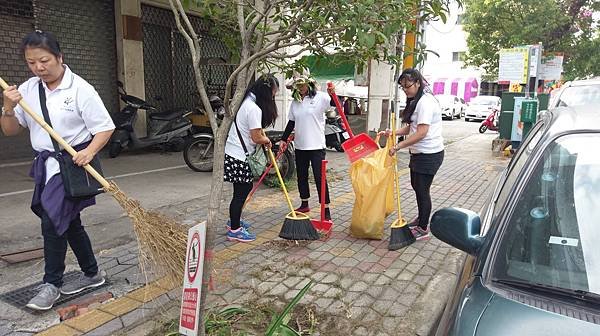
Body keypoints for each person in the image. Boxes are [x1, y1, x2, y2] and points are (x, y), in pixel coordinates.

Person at [1, 31, 115, 310]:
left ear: (59, 57)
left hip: (71, 166)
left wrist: (89, 151)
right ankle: (92, 273)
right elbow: (10, 130)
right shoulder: (28, 90)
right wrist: (7, 107)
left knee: (53, 223)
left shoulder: (80, 89)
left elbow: (105, 127)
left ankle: (52, 283)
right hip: (46, 166)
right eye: (31, 63)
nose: (38, 68)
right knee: (68, 221)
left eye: (44, 61)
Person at [386, 68, 444, 240]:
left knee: (422, 190)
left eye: (408, 86)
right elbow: (411, 128)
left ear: (418, 83)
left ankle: (423, 227)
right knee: (416, 187)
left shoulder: (425, 102)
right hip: (419, 153)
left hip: (429, 154)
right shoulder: (416, 101)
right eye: (402, 87)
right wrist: (393, 132)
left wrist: (398, 146)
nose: (405, 89)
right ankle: (421, 219)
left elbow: (421, 132)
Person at [224, 74, 279, 243]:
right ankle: (234, 230)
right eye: (274, 93)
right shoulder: (254, 109)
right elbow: (256, 137)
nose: (274, 97)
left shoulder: (246, 101)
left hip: (233, 152)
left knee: (239, 191)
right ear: (266, 92)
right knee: (242, 193)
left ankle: (234, 222)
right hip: (239, 156)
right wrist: (267, 140)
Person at [279, 75, 332, 220]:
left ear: (309, 85)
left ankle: (326, 208)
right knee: (301, 175)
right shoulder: (295, 102)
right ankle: (304, 203)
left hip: (316, 146)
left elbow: (333, 103)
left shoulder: (320, 97)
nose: (301, 88)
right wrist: (284, 139)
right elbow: (291, 122)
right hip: (301, 145)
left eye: (303, 85)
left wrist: (333, 93)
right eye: (299, 86)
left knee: (319, 177)